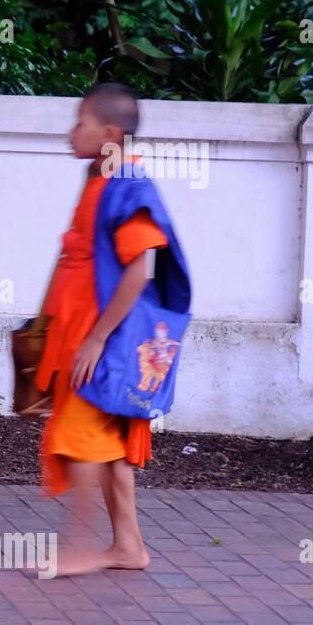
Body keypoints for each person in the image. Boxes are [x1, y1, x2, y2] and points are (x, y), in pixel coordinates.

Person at [35, 81, 189, 576]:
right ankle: (127, 547)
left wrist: (98, 339)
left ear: (108, 133)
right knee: (104, 446)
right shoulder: (99, 179)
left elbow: (139, 269)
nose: (69, 134)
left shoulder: (128, 186)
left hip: (102, 343)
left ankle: (81, 547)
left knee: (81, 441)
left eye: (78, 123)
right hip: (79, 337)